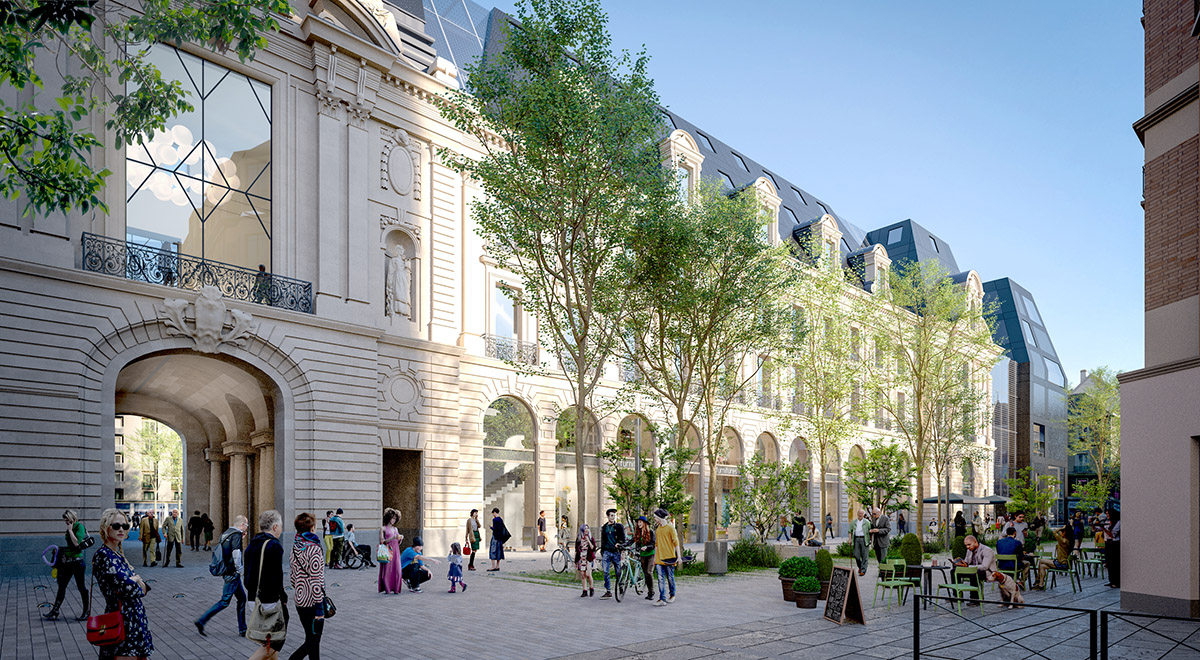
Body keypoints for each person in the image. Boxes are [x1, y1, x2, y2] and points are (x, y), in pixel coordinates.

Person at [92, 508, 153, 659]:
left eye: (125, 526)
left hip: (134, 620)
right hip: (121, 620)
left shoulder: (117, 555)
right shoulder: (103, 555)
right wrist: (135, 580)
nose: (121, 529)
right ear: (106, 527)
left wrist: (134, 581)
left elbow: (143, 588)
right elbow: (129, 589)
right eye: (116, 526)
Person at [195, 514, 248, 637]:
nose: (247, 527)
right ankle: (201, 621)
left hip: (227, 570)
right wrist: (240, 569)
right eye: (246, 524)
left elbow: (226, 549)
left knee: (242, 599)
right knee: (224, 601)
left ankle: (243, 629)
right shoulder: (236, 535)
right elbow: (236, 553)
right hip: (232, 573)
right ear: (242, 524)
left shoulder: (226, 533)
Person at [245, 510, 288, 652]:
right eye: (280, 526)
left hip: (253, 598)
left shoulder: (252, 543)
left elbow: (246, 574)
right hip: (268, 600)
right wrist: (283, 596)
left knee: (268, 643)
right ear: (275, 527)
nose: (281, 530)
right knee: (274, 642)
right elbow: (277, 576)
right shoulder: (274, 545)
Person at [289, 512, 326, 660]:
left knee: (311, 638)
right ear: (312, 528)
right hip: (313, 602)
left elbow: (293, 577)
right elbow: (316, 581)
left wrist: (300, 587)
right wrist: (319, 608)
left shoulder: (295, 547)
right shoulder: (314, 548)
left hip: (300, 600)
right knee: (313, 641)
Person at [43, 509, 90, 621]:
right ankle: (55, 611)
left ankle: (86, 611)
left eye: (67, 520)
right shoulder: (70, 527)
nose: (66, 522)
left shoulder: (79, 527)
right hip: (68, 562)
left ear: (72, 518)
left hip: (77, 562)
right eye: (65, 521)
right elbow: (70, 546)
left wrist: (70, 530)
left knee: (81, 587)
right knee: (62, 586)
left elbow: (76, 543)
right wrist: (60, 549)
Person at [1032, 524, 1074, 590]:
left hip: (1062, 564)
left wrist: (1061, 528)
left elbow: (1054, 532)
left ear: (1065, 532)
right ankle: (1040, 584)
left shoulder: (1063, 541)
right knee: (1042, 566)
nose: (1060, 533)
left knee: (1041, 561)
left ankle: (1037, 581)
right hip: (1061, 563)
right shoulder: (1069, 541)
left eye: (1061, 531)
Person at [652, 508, 679, 606]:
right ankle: (662, 599)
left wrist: (679, 557)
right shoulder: (658, 530)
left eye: (655, 517)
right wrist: (655, 559)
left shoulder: (670, 528)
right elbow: (656, 545)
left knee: (670, 578)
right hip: (659, 559)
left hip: (669, 559)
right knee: (660, 579)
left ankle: (672, 595)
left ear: (659, 517)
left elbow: (676, 543)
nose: (654, 519)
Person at [598, 508, 626, 599]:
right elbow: (603, 540)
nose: (613, 517)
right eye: (611, 515)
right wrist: (602, 551)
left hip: (616, 552)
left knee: (618, 571)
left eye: (614, 515)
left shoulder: (619, 526)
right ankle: (608, 591)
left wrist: (620, 545)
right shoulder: (604, 527)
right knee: (605, 571)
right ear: (608, 516)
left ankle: (620, 585)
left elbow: (623, 538)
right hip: (606, 551)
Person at [378, 508, 403, 594]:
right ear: (388, 518)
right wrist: (393, 537)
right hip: (387, 551)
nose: (393, 520)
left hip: (396, 551)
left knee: (398, 570)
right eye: (392, 518)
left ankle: (396, 588)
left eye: (395, 519)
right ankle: (387, 588)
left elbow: (398, 542)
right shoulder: (383, 528)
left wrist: (400, 539)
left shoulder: (395, 529)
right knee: (387, 571)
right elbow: (382, 541)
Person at [633, 516, 655, 601]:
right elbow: (632, 541)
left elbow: (653, 544)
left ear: (644, 523)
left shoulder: (651, 532)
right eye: (638, 522)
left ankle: (651, 592)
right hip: (642, 555)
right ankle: (649, 590)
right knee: (646, 574)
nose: (639, 524)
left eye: (640, 522)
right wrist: (623, 545)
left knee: (649, 572)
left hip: (650, 554)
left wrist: (647, 547)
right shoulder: (638, 533)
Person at [575, 523, 596, 597]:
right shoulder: (579, 539)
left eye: (587, 528)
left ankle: (591, 587)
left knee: (588, 574)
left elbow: (593, 548)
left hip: (588, 558)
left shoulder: (591, 538)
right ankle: (584, 590)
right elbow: (576, 550)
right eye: (585, 529)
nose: (586, 530)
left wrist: (588, 540)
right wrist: (576, 561)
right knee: (583, 575)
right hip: (581, 558)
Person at [849, 509, 871, 576]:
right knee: (856, 555)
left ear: (864, 514)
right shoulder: (854, 522)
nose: (860, 514)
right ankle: (861, 566)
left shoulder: (867, 522)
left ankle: (863, 570)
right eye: (859, 513)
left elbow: (870, 531)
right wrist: (850, 539)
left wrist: (870, 540)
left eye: (861, 513)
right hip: (856, 539)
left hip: (864, 539)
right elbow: (850, 531)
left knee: (865, 555)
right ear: (857, 514)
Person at [1104, 509, 1120, 589]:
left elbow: (1112, 535)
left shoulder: (1118, 523)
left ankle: (1116, 581)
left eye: (1108, 514)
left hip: (1115, 544)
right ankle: (1111, 580)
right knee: (1109, 563)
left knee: (1115, 563)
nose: (1107, 516)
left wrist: (1103, 529)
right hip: (1108, 543)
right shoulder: (1107, 522)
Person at [488, 508, 507, 572]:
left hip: (495, 537)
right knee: (499, 551)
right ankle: (497, 566)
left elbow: (495, 529)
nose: (493, 515)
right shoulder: (501, 519)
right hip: (500, 538)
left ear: (494, 512)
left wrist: (491, 528)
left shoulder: (495, 519)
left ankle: (493, 566)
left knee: (493, 551)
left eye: (493, 513)